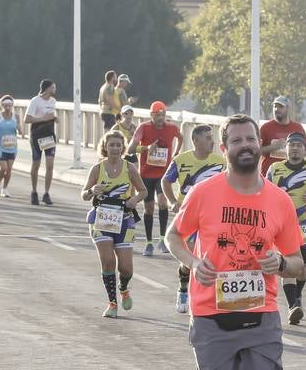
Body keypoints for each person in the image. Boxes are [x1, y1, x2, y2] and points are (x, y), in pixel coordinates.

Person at [168, 114, 304, 370]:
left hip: (261, 314)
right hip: (211, 314)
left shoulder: (279, 201)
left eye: (251, 139)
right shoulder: (206, 193)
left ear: (259, 147)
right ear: (224, 148)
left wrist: (280, 261)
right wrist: (193, 263)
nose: (245, 145)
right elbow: (173, 235)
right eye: (237, 140)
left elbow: (298, 263)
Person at [266, 132, 306, 325]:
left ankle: (297, 298)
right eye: (291, 145)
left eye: (299, 145)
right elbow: (265, 191)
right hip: (283, 225)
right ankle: (293, 305)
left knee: (302, 267)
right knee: (288, 265)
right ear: (286, 148)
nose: (294, 148)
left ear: (305, 149)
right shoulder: (274, 168)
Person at [162, 123, 227, 314]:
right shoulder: (181, 160)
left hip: (213, 217)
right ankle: (183, 289)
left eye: (212, 138)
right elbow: (166, 181)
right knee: (190, 259)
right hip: (189, 215)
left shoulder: (221, 161)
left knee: (214, 257)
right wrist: (173, 201)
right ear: (196, 140)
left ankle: (212, 297)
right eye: (207, 138)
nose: (212, 142)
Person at [83, 131, 147, 318]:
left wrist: (134, 200)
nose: (115, 148)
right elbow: (84, 194)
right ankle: (112, 303)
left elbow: (143, 191)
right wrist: (91, 191)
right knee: (108, 261)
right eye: (112, 145)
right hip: (101, 218)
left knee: (126, 268)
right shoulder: (97, 169)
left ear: (123, 147)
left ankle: (124, 288)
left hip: (124, 219)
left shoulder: (129, 168)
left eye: (119, 145)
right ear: (105, 146)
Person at [128, 101, 183, 256]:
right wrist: (146, 148)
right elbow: (130, 148)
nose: (160, 118)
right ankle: (149, 242)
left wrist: (176, 153)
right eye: (157, 115)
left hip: (162, 174)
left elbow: (181, 137)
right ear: (151, 115)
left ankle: (162, 240)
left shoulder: (171, 128)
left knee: (163, 203)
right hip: (145, 174)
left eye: (163, 114)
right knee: (149, 208)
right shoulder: (144, 128)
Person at [25, 78, 59, 206]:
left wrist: (54, 118)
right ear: (47, 88)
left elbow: (50, 115)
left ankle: (46, 193)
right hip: (37, 135)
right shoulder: (35, 101)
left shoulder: (53, 101)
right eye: (53, 87)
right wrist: (43, 118)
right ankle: (34, 192)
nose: (55, 90)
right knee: (36, 164)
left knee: (50, 164)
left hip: (49, 135)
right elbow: (27, 119)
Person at [258, 96, 304, 176]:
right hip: (270, 175)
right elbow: (256, 151)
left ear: (288, 108)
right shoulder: (265, 128)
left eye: (281, 107)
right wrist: (273, 146)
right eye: (275, 106)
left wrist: (296, 156)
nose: (277, 109)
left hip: (291, 175)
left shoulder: (297, 127)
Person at [0, 95, 20, 197]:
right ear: (2, 105)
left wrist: (20, 129)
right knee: (3, 168)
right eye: (5, 105)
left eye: (9, 105)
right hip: (1, 146)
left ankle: (5, 188)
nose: (7, 107)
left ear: (12, 105)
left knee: (9, 169)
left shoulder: (16, 117)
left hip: (12, 146)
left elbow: (20, 130)